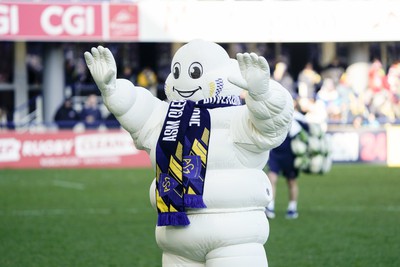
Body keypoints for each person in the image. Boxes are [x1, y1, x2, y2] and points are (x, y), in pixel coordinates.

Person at [84, 40, 293, 267]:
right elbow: (135, 107)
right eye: (177, 72)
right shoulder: (167, 117)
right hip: (176, 242)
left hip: (235, 239)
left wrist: (263, 95)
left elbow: (273, 124)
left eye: (195, 72)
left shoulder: (240, 118)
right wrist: (113, 90)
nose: (183, 79)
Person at [265, 109, 308, 220]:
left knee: (291, 181)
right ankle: (270, 207)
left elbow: (304, 134)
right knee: (272, 178)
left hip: (290, 156)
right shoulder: (274, 115)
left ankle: (292, 208)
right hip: (275, 153)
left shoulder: (296, 118)